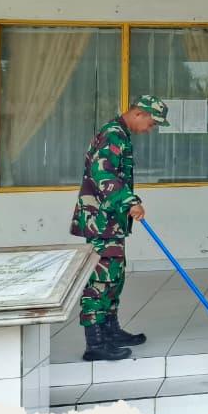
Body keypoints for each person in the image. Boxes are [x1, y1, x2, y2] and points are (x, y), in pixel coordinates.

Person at [70, 95, 168, 362]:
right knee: (100, 280)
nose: (150, 129)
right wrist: (130, 201)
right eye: (151, 123)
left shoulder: (121, 134)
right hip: (100, 221)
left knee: (114, 277)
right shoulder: (112, 134)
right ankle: (95, 343)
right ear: (139, 113)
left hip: (111, 221)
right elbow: (102, 173)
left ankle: (110, 331)